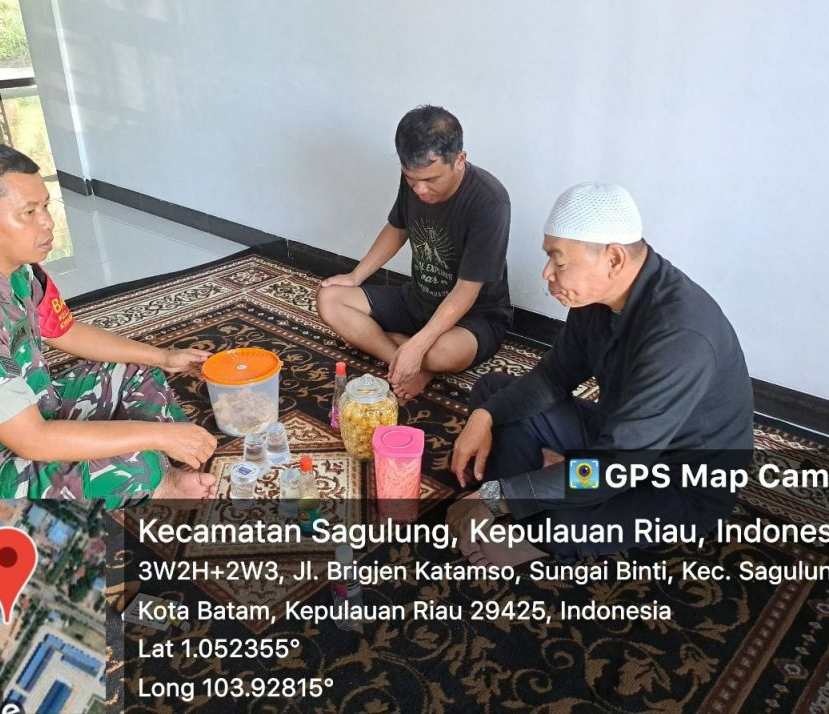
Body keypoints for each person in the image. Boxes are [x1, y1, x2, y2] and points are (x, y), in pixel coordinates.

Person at [0, 142, 218, 506]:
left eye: (45, 205)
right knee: (132, 465)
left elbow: (64, 330)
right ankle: (158, 478)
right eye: (28, 212)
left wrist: (164, 356)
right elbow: (33, 440)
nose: (47, 221)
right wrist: (157, 437)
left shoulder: (11, 266)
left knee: (137, 369)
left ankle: (164, 464)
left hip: (25, 410)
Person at [448, 182, 754, 566]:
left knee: (561, 517)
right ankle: (549, 490)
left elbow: (616, 468)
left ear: (613, 258)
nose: (547, 273)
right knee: (494, 394)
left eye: (560, 263)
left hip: (678, 481)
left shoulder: (681, 337)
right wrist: (485, 416)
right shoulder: (597, 298)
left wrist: (495, 497)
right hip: (619, 435)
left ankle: (542, 515)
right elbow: (554, 377)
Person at [316, 105, 512, 399]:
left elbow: (466, 291)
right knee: (329, 298)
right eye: (410, 178)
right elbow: (397, 228)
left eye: (431, 180)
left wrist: (420, 345)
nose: (420, 190)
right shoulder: (416, 178)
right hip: (419, 300)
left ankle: (404, 349)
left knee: (443, 354)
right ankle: (408, 365)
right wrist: (356, 276)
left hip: (475, 316)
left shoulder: (490, 201)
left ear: (459, 160)